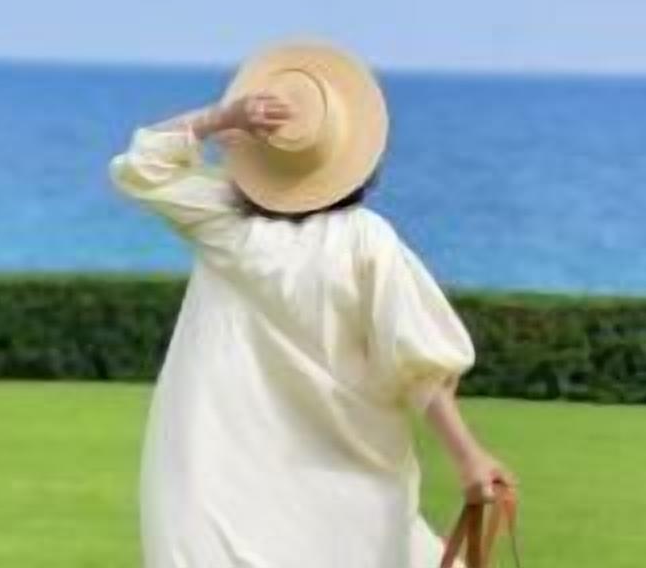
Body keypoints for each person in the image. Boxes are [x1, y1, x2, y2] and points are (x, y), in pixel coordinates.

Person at [110, 40, 517, 567]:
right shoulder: (367, 242)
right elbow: (421, 363)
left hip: (214, 481)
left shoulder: (223, 223)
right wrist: (469, 458)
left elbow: (142, 164)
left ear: (256, 151)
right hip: (346, 483)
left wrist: (219, 118)